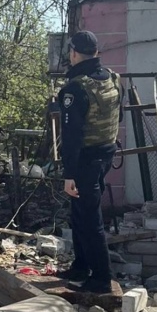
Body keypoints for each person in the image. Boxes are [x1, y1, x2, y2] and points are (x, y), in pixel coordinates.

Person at [57, 30, 123, 294]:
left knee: (90, 218)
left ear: (74, 53)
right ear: (96, 52)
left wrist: (69, 174)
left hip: (85, 161)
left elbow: (71, 136)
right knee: (79, 212)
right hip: (106, 153)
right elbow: (118, 117)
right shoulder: (113, 79)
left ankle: (102, 278)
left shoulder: (75, 88)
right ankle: (81, 266)